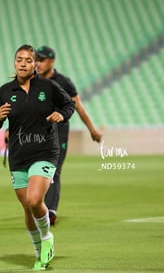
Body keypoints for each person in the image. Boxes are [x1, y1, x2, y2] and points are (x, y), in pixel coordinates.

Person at [0, 44, 75, 270]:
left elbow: (69, 104)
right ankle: (40, 254)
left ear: (35, 64)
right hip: (18, 156)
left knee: (34, 200)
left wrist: (61, 115)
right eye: (19, 60)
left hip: (45, 152)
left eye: (28, 60)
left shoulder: (48, 86)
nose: (23, 64)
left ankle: (47, 238)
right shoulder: (5, 91)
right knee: (27, 207)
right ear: (14, 63)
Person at [36, 46, 102, 225]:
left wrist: (92, 130)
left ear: (51, 61)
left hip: (59, 132)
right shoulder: (32, 81)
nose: (37, 63)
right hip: (38, 132)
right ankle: (38, 206)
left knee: (54, 171)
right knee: (36, 171)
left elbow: (78, 107)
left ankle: (50, 211)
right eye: (36, 60)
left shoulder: (64, 82)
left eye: (41, 60)